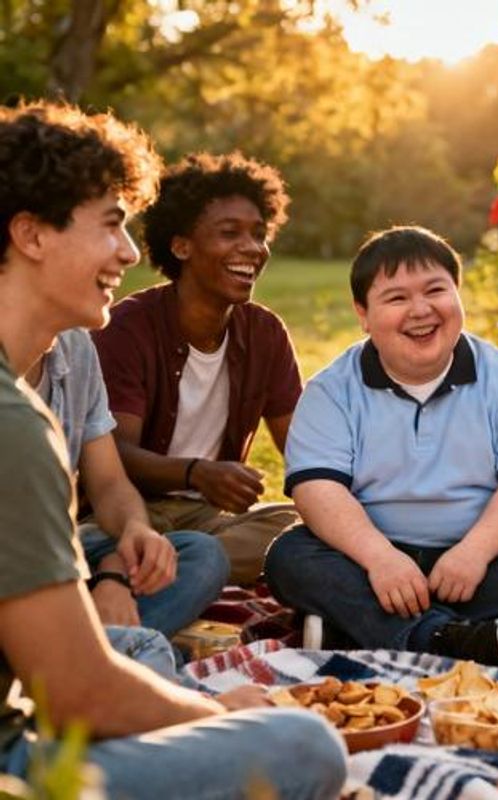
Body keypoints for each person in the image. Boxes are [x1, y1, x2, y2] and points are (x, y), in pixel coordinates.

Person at [0, 100, 346, 799]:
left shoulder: (259, 333)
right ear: (32, 235)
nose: (129, 253)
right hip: (19, 757)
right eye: (111, 225)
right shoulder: (16, 422)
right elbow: (76, 695)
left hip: (62, 625)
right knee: (305, 746)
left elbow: (305, 448)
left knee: (145, 646)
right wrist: (215, 713)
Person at [265, 225, 498, 667]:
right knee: (289, 558)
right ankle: (450, 637)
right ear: (363, 314)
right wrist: (381, 560)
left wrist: (474, 552)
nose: (421, 310)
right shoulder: (331, 389)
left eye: (435, 290)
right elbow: (317, 491)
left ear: (457, 294)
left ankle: (351, 628)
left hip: (477, 557)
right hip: (367, 558)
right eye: (396, 298)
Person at [92, 153, 302, 586]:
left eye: (259, 234)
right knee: (101, 543)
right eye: (230, 233)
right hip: (129, 515)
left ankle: (166, 570)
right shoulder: (129, 327)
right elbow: (116, 457)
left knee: (304, 529)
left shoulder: (265, 334)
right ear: (181, 245)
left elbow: (304, 451)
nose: (252, 248)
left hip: (211, 523)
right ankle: (170, 566)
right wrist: (195, 473)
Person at [25, 329, 229, 637]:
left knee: (202, 555)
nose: (118, 277)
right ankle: (109, 654)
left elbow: (108, 483)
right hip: (18, 567)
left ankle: (100, 649)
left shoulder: (76, 346)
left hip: (64, 551)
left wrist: (125, 551)